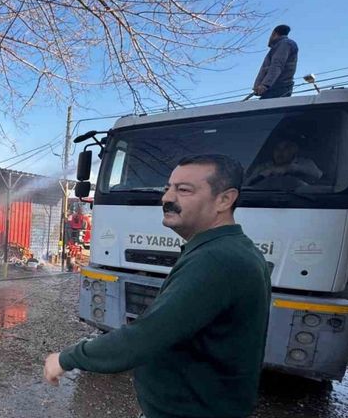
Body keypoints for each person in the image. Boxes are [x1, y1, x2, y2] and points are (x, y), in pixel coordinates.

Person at [43, 155, 271, 418]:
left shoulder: (218, 259)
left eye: (183, 190)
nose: (167, 198)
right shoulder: (229, 249)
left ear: (224, 200)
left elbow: (145, 337)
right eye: (167, 188)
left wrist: (66, 358)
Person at [246, 140, 322, 188]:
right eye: (277, 149)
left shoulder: (305, 163)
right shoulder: (263, 167)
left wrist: (289, 168)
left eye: (286, 148)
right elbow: (246, 185)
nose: (280, 152)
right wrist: (264, 174)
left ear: (294, 150)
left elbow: (318, 175)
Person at [253, 24, 298, 99]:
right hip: (274, 87)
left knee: (266, 106)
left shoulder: (284, 44)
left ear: (274, 33)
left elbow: (277, 65)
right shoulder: (281, 45)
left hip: (277, 87)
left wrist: (265, 85)